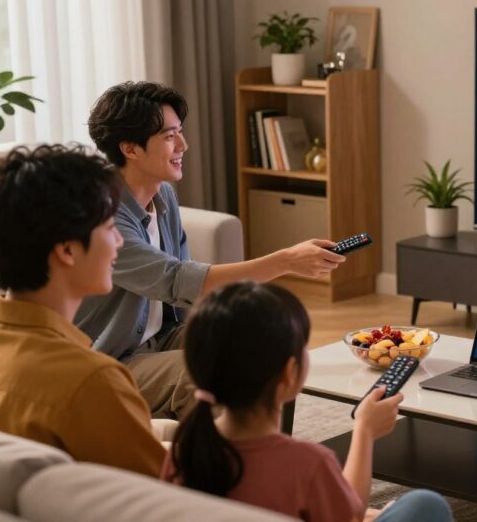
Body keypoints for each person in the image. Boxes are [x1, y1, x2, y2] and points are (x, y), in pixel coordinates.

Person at [75, 82, 347, 419]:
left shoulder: (162, 197)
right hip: (111, 361)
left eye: (181, 132)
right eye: (170, 136)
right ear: (130, 148)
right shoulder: (104, 215)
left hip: (164, 336)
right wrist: (287, 261)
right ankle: (215, 468)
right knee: (201, 378)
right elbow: (176, 280)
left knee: (264, 336)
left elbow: (187, 285)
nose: (184, 145)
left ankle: (270, 452)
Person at [163, 281, 453, 522]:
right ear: (289, 374)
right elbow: (348, 515)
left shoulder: (183, 454)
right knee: (426, 505)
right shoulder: (307, 464)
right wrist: (364, 432)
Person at [0, 145, 164, 476]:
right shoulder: (92, 382)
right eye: (110, 228)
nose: (120, 243)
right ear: (67, 250)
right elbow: (164, 493)